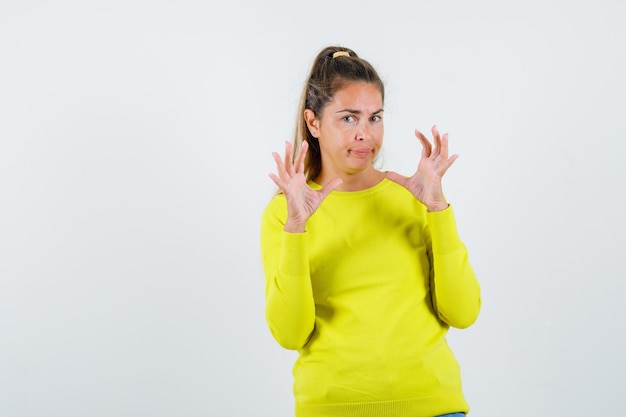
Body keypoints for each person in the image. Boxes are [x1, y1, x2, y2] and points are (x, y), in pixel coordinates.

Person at [260, 45, 481, 417]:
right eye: (348, 119)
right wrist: (297, 230)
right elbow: (289, 334)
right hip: (331, 408)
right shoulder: (284, 213)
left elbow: (462, 312)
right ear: (313, 123)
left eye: (374, 118)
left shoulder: (415, 197)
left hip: (433, 406)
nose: (365, 134)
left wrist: (438, 210)